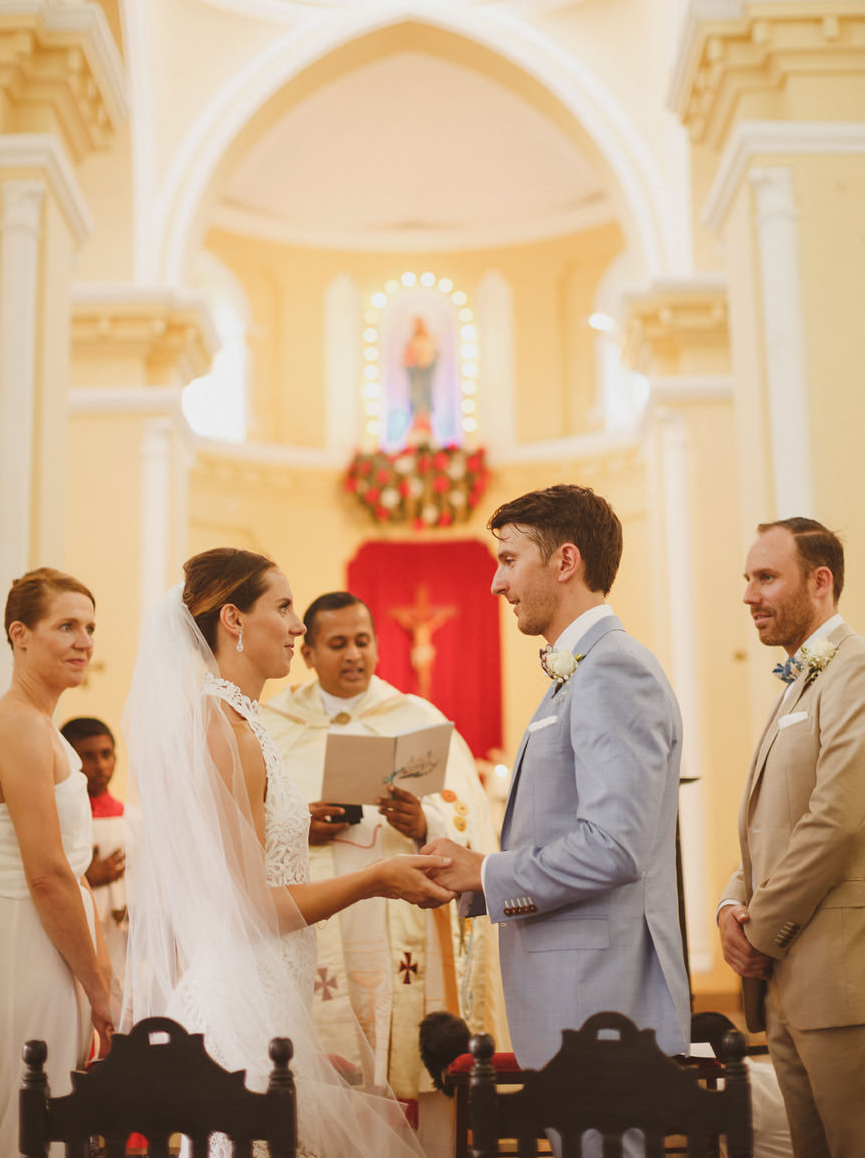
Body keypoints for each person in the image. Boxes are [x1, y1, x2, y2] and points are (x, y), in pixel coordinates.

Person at [122, 548, 455, 1158]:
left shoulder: (236, 723)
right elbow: (254, 904)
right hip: (242, 993)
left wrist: (295, 825)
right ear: (233, 620)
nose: (299, 626)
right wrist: (378, 876)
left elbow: (236, 854)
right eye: (284, 607)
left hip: (268, 985)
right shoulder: (231, 733)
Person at [422, 485, 690, 1148]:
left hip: (603, 1001)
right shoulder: (578, 673)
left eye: (509, 559)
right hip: (578, 999)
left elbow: (614, 845)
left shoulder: (612, 670)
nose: (495, 581)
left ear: (564, 560)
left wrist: (487, 872)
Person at [259, 592, 507, 1147]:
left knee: (405, 1051)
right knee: (331, 1059)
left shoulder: (416, 719)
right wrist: (299, 826)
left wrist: (424, 821)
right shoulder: (274, 727)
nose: (354, 655)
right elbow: (246, 822)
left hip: (400, 924)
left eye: (363, 641)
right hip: (323, 915)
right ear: (310, 653)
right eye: (337, 644)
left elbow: (468, 816)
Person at [718, 518, 865, 1158]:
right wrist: (730, 904)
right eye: (748, 579)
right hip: (785, 984)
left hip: (838, 983)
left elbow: (835, 819)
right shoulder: (797, 681)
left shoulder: (854, 671)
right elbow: (766, 826)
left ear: (821, 582)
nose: (750, 595)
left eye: (766, 577)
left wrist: (760, 929)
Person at [0, 568, 113, 1158]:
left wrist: (99, 977)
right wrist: (101, 989)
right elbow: (48, 874)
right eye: (66, 626)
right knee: (31, 1118)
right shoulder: (15, 725)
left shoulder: (36, 726)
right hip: (23, 943)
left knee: (50, 1112)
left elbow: (73, 874)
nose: (84, 641)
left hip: (44, 940)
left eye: (89, 627)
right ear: (20, 634)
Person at [60, 717, 130, 995]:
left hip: (120, 933)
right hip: (76, 933)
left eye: (106, 754)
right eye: (87, 756)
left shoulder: (132, 819)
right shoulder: (59, 819)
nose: (100, 765)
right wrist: (90, 876)